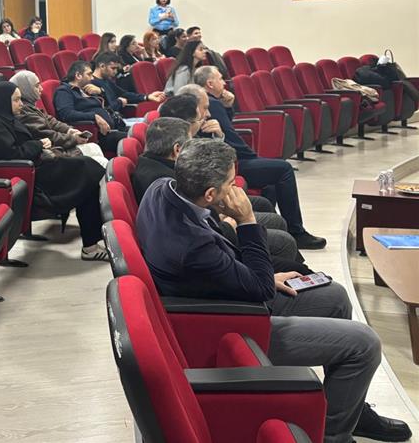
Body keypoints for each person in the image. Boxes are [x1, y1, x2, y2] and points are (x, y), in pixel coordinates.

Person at [135, 138, 410, 443]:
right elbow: (261, 289)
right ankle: (333, 436)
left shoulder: (162, 188)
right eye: (231, 184)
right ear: (211, 194)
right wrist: (246, 220)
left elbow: (223, 256)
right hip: (230, 325)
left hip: (222, 295)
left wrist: (259, 273)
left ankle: (348, 409)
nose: (237, 190)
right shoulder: (192, 247)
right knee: (364, 344)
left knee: (335, 298)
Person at [132, 114, 303, 268]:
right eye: (190, 143)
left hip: (212, 227)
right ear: (177, 150)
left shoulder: (154, 169)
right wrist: (240, 220)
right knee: (284, 243)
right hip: (216, 239)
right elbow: (198, 224)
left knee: (267, 208)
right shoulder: (165, 179)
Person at [191, 66, 327, 250]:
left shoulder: (214, 103)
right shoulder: (209, 105)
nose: (224, 82)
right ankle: (296, 232)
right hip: (236, 161)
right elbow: (223, 139)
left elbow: (227, 129)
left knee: (272, 179)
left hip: (239, 157)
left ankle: (271, 229)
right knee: (283, 169)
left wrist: (228, 107)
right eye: (220, 79)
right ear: (210, 83)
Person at [0, 82, 109, 261]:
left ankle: (92, 242)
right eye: (16, 100)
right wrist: (38, 144)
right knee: (87, 171)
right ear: (3, 101)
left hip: (41, 167)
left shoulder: (8, 119)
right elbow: (14, 155)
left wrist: (40, 144)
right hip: (33, 178)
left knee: (89, 175)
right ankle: (92, 244)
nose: (21, 104)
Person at [11, 71, 106, 165]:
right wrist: (73, 139)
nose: (41, 89)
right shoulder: (23, 111)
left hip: (58, 148)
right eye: (36, 86)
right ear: (25, 89)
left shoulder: (31, 106)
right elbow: (46, 134)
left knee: (94, 148)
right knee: (100, 161)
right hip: (53, 155)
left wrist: (69, 130)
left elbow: (51, 121)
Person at [52, 60, 127, 155]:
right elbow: (67, 114)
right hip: (97, 135)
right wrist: (94, 116)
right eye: (89, 74)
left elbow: (108, 105)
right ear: (78, 75)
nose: (92, 78)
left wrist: (101, 92)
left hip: (115, 126)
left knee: (139, 133)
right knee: (130, 140)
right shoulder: (64, 91)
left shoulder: (86, 90)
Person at [91, 51, 165, 109]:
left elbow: (124, 94)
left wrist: (148, 97)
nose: (115, 72)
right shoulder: (92, 84)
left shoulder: (107, 80)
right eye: (113, 68)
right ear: (102, 66)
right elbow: (107, 107)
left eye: (116, 68)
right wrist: (120, 102)